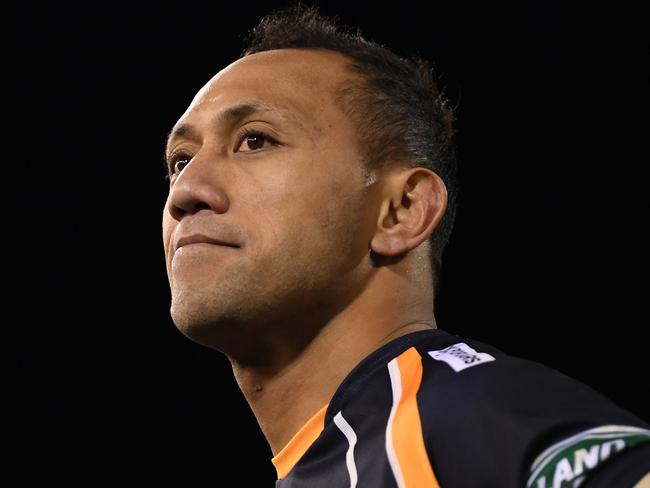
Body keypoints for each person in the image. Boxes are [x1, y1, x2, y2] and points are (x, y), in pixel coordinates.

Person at [161, 5, 649, 487]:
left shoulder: (454, 411)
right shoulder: (362, 450)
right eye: (180, 161)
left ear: (402, 210)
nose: (185, 192)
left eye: (255, 141)